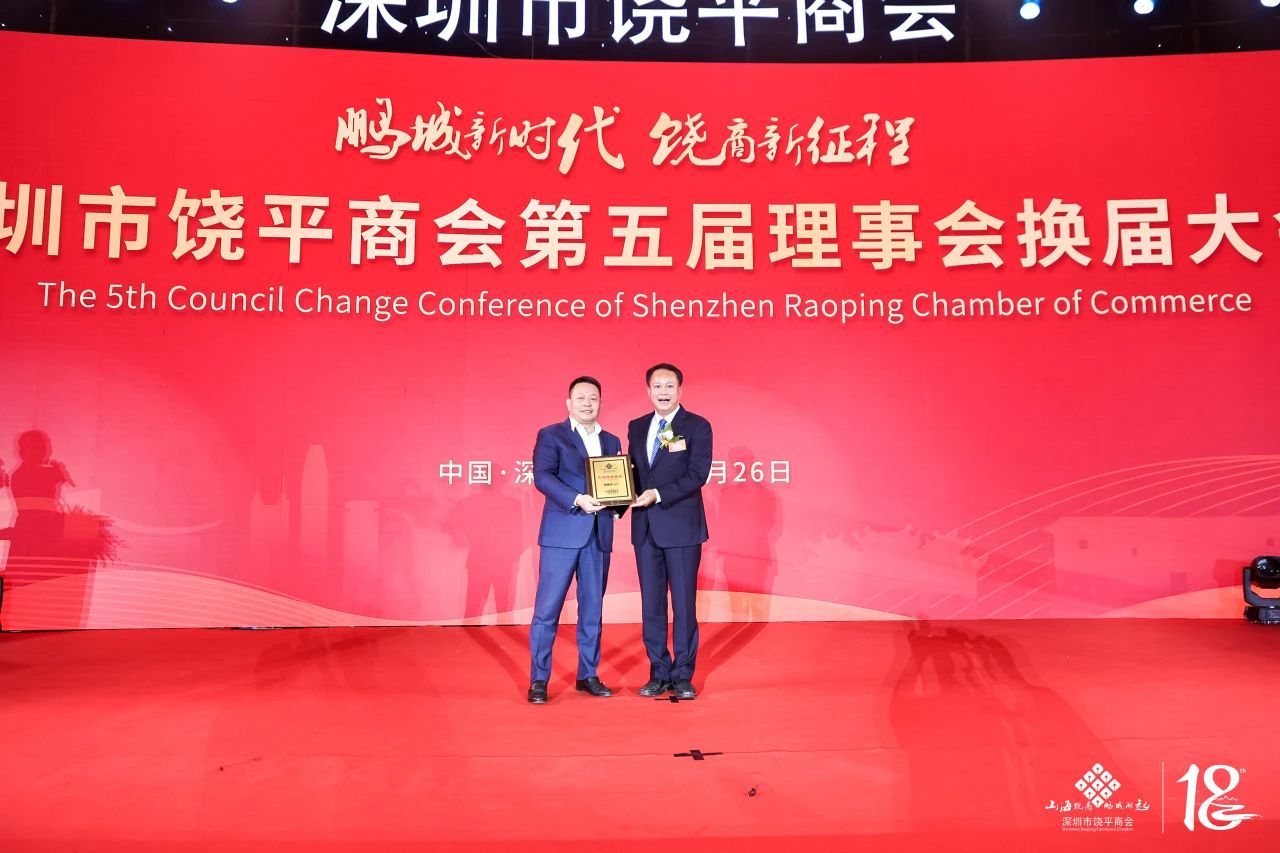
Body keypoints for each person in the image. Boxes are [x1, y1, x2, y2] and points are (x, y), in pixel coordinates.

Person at [528, 376, 625, 704]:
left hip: (598, 535)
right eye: (581, 397)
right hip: (562, 534)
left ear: (600, 403)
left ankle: (588, 674)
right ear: (569, 403)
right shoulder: (551, 434)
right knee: (547, 610)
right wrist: (577, 499)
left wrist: (620, 503)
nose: (587, 403)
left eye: (593, 398)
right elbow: (543, 476)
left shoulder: (611, 440)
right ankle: (539, 679)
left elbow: (616, 482)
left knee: (592, 610)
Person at [628, 363, 712, 700]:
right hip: (645, 529)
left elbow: (697, 474)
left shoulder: (696, 426)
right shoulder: (636, 426)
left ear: (680, 390)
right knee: (651, 605)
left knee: (683, 605)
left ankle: (683, 675)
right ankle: (659, 672)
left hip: (681, 529)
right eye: (657, 386)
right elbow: (633, 472)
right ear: (648, 391)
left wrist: (658, 494)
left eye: (669, 386)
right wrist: (617, 494)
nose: (663, 392)